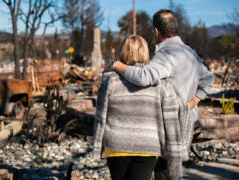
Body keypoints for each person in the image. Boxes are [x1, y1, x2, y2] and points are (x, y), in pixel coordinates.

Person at [111, 9, 214, 179]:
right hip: (185, 121)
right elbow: (208, 79)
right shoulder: (190, 52)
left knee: (165, 173)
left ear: (156, 31)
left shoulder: (167, 54)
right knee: (171, 172)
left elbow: (144, 77)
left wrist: (117, 66)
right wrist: (192, 102)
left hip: (168, 125)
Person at [92, 35, 181, 180]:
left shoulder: (109, 79)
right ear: (146, 52)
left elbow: (100, 116)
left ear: (122, 52)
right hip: (148, 145)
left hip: (116, 146)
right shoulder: (160, 83)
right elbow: (171, 121)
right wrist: (174, 156)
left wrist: (96, 148)